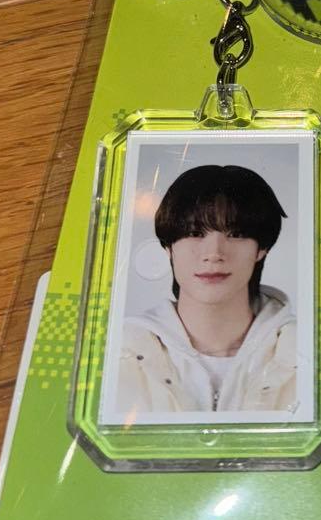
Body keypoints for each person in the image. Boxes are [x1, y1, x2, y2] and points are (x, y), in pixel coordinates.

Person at [118, 164, 298, 417]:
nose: (214, 253)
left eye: (236, 233)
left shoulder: (307, 351)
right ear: (168, 247)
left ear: (262, 249)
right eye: (195, 233)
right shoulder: (119, 350)